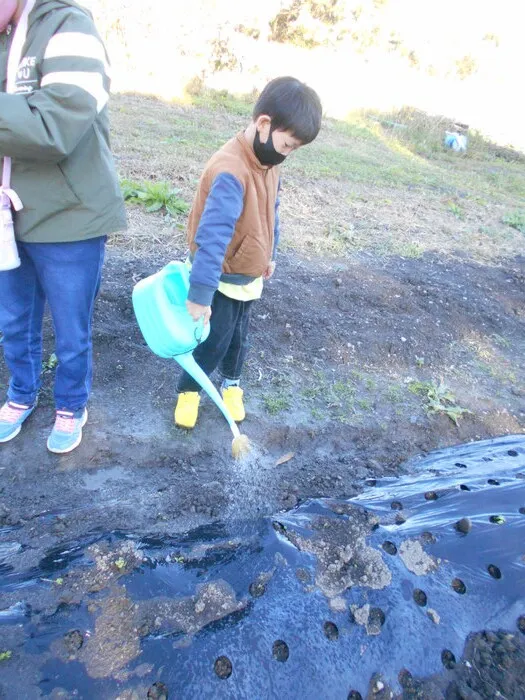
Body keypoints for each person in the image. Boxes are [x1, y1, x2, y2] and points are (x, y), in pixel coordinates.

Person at [0, 0, 126, 453]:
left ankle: (71, 404)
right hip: (8, 216)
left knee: (71, 328)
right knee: (13, 319)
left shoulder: (69, 26)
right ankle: (21, 393)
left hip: (70, 217)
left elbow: (54, 126)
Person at [174, 76, 322, 429]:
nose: (287, 154)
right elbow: (212, 239)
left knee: (240, 338)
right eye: (287, 145)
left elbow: (272, 210)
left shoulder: (267, 165)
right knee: (213, 340)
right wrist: (200, 294)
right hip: (221, 278)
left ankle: (232, 384)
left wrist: (270, 252)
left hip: (248, 275)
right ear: (264, 124)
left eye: (295, 149)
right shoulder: (231, 170)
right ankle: (189, 390)